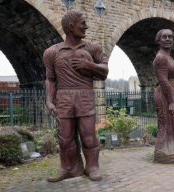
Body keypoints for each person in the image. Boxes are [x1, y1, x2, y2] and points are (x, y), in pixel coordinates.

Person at [43, 10, 108, 182]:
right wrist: (49, 101)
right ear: (71, 26)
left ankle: (92, 166)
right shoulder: (52, 52)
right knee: (65, 138)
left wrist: (88, 65)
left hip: (85, 95)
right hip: (63, 98)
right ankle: (69, 168)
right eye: (83, 23)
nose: (86, 26)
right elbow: (50, 80)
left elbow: (105, 72)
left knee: (89, 135)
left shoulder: (93, 48)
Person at [152, 29, 174, 163]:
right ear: (158, 40)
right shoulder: (161, 58)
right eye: (164, 37)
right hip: (165, 94)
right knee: (167, 124)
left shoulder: (169, 56)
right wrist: (172, 101)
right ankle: (164, 154)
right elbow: (163, 80)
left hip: (172, 93)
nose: (168, 39)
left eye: (170, 36)